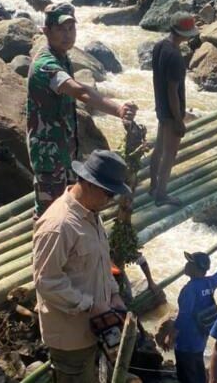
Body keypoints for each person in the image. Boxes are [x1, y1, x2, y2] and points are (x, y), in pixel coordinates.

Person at [27, 3, 137, 219]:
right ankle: (43, 252)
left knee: (66, 208)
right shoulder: (45, 65)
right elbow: (80, 91)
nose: (67, 35)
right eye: (60, 29)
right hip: (49, 155)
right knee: (48, 214)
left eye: (71, 28)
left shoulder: (62, 57)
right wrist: (118, 109)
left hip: (64, 151)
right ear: (46, 31)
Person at [32, 150, 131, 383]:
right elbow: (46, 281)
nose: (110, 201)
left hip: (93, 328)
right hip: (70, 336)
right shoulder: (59, 225)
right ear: (88, 183)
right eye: (108, 193)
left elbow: (100, 262)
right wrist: (90, 305)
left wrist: (114, 294)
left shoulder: (91, 214)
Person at [149, 12, 199, 207]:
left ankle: (153, 186)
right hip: (171, 112)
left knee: (158, 149)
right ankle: (161, 194)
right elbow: (173, 91)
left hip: (161, 108)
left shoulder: (159, 47)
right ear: (184, 35)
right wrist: (179, 120)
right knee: (170, 153)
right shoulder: (176, 57)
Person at [168, 250, 217, 383]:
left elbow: (183, 318)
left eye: (190, 263)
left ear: (197, 268)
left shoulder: (189, 290)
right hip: (200, 339)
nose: (186, 265)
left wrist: (172, 336)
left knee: (185, 375)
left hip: (185, 342)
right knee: (197, 367)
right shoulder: (209, 283)